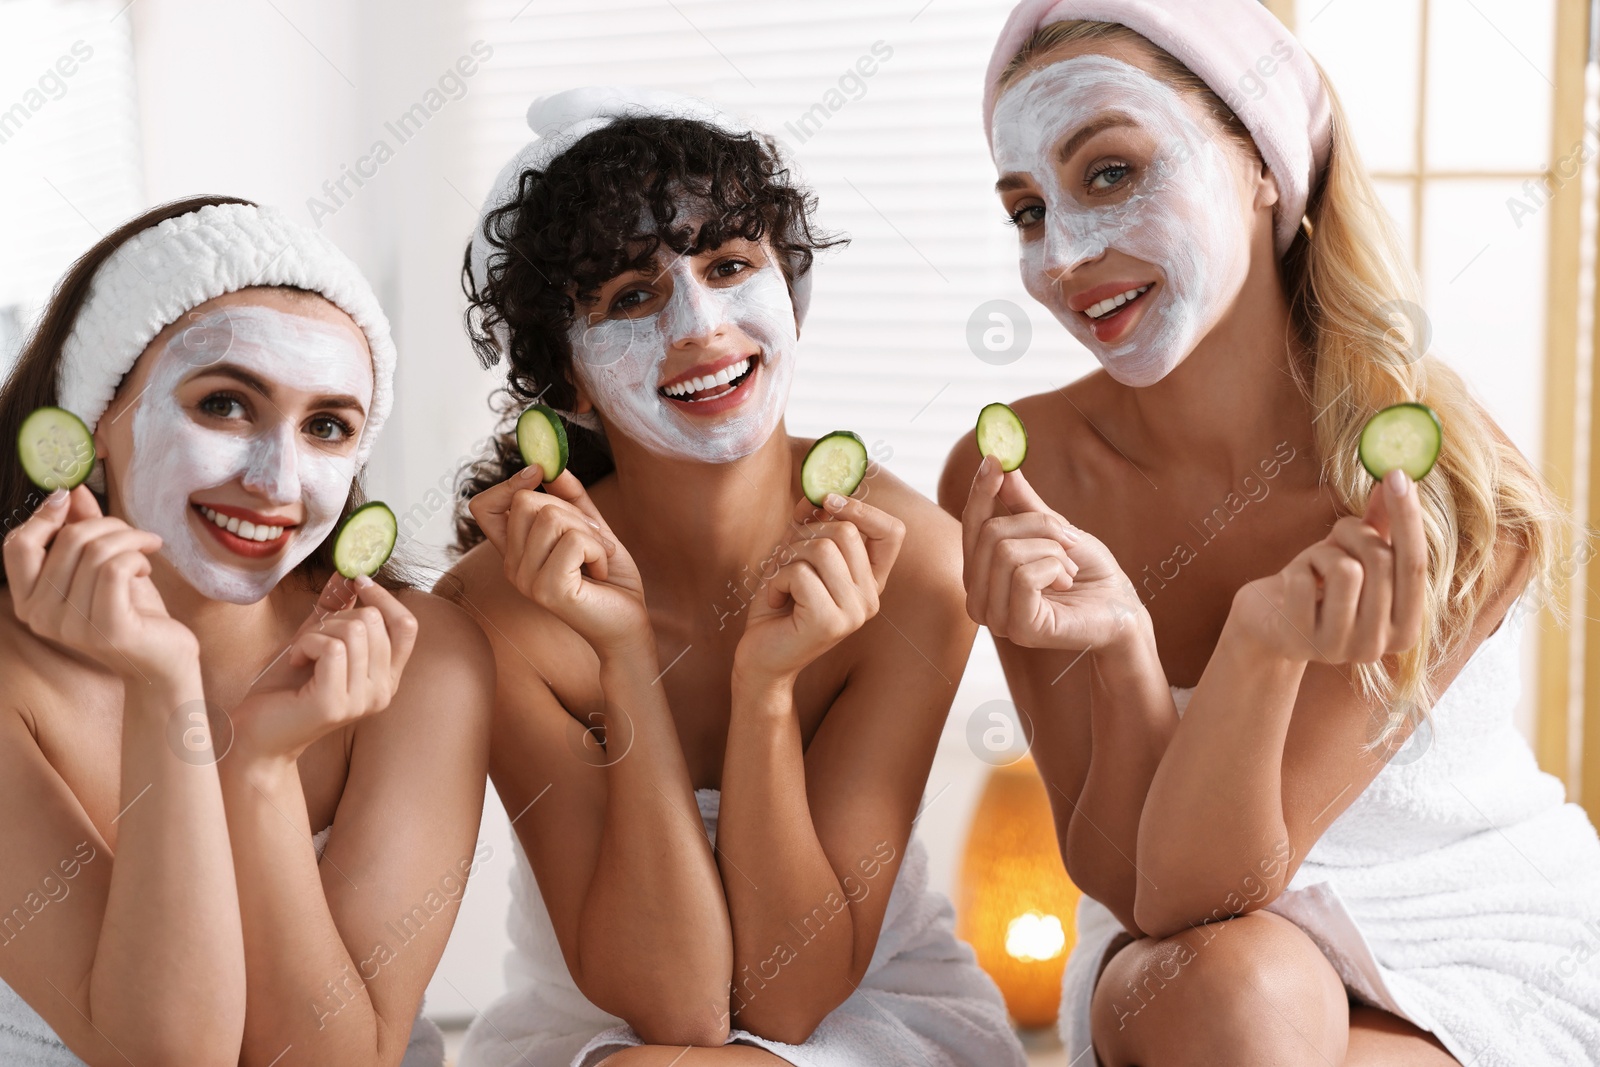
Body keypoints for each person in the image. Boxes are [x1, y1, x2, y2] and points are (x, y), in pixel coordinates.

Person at [939, 2, 1600, 1065]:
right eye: (1025, 209)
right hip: (1183, 959)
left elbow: (1225, 879)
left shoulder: (1440, 483)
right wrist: (1116, 655)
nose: (1063, 253)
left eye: (1109, 172)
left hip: (1470, 930)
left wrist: (1260, 643)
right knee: (1234, 987)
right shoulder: (1018, 481)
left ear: (1259, 162)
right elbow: (1145, 888)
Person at [444, 88, 1026, 1067]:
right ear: (568, 381)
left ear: (789, 291)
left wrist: (767, 689)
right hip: (604, 1030)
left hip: (871, 1017)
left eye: (728, 265)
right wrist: (623, 651)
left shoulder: (910, 558)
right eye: (631, 296)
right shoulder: (497, 609)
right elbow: (674, 1008)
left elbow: (791, 999)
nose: (702, 324)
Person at [0, 197, 493, 1067]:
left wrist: (259, 771)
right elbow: (168, 1055)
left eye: (327, 426)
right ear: (90, 425)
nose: (278, 480)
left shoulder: (423, 656)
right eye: (225, 404)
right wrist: (166, 686)